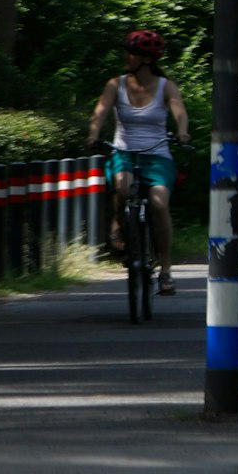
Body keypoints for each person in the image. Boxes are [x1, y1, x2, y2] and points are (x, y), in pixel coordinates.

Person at [86, 29, 191, 295]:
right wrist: (93, 135)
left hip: (157, 155)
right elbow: (100, 112)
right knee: (123, 187)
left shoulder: (166, 86)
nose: (127, 57)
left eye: (132, 53)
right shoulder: (116, 84)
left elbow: (180, 111)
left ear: (146, 59)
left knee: (158, 203)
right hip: (124, 151)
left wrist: (182, 131)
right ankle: (118, 225)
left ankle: (165, 271)